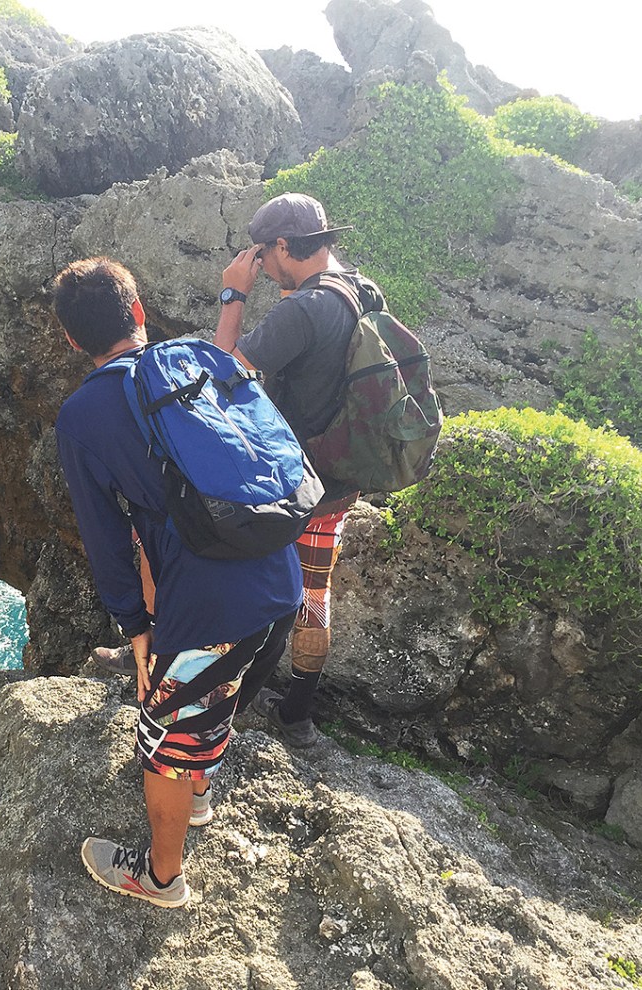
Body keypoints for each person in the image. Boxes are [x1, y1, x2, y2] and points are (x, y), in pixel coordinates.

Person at [52, 257, 301, 909]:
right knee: (217, 695)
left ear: (75, 341)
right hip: (280, 573)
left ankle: (161, 880)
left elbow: (106, 539)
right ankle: (199, 802)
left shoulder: (81, 416)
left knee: (164, 740)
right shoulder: (196, 357)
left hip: (210, 599)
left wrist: (134, 627)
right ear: (139, 314)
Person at [213, 192, 385, 748]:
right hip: (340, 479)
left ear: (285, 245)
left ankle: (225, 700)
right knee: (314, 593)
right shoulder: (360, 289)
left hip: (292, 483)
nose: (261, 266)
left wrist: (232, 294)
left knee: (251, 586)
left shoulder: (303, 310)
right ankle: (298, 713)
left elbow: (225, 374)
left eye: (264, 255)